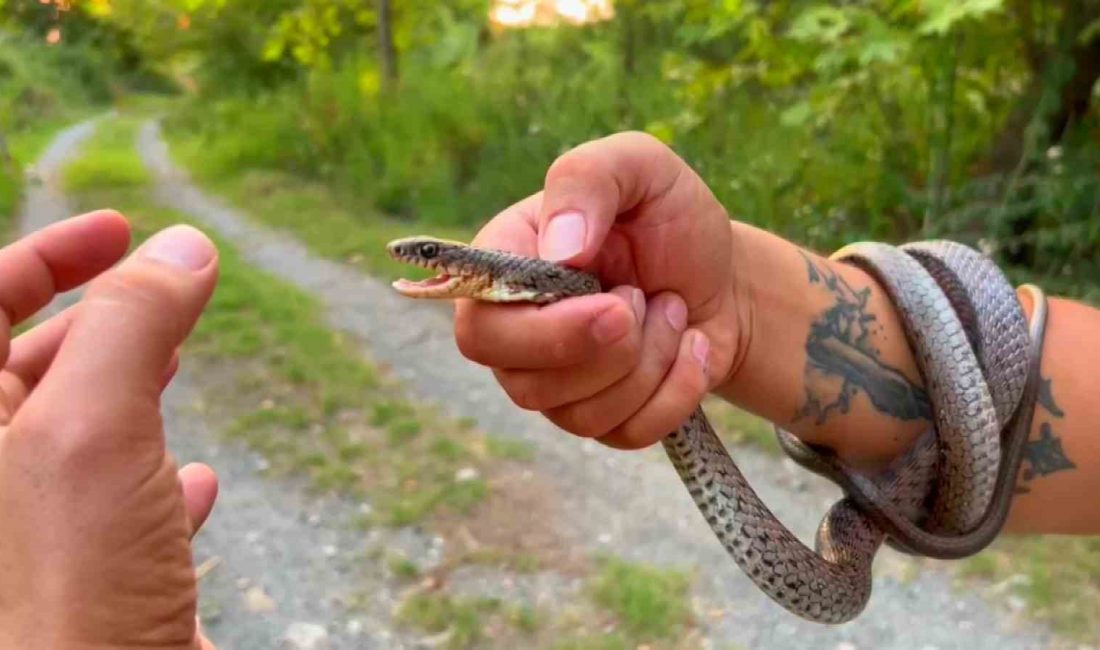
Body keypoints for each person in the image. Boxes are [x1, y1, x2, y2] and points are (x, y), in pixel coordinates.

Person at [0, 134, 1094, 647]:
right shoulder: (559, 290)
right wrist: (747, 312)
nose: (419, 258)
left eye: (432, 254)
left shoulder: (530, 284)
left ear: (478, 274)